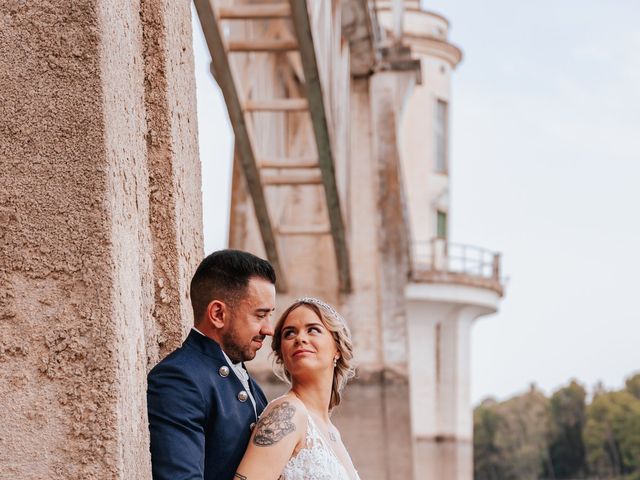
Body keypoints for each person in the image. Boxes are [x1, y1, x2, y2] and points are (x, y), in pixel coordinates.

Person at [147, 249, 276, 480]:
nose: (269, 329)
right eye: (260, 315)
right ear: (218, 314)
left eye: (270, 315)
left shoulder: (252, 388)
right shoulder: (178, 379)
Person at [234, 297, 360, 480]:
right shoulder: (286, 412)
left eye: (313, 330)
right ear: (283, 354)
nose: (300, 338)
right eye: (289, 333)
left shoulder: (333, 432)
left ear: (337, 348)